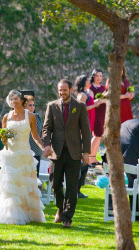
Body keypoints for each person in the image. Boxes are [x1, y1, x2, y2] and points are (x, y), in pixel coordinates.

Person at [0, 89, 45, 225]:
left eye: (16, 98)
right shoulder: (6, 117)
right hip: (10, 154)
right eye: (11, 99)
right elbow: (3, 137)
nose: (14, 101)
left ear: (22, 100)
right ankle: (11, 215)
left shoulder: (30, 116)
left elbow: (35, 136)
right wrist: (4, 138)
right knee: (11, 186)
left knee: (26, 185)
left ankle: (28, 214)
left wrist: (44, 148)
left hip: (25, 154)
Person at [42, 79, 91, 228]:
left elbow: (86, 131)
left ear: (71, 90)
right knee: (55, 183)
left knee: (71, 186)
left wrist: (86, 152)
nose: (62, 93)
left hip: (74, 152)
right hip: (56, 152)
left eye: (64, 90)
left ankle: (67, 218)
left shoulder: (80, 106)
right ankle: (61, 208)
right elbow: (46, 128)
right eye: (60, 90)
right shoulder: (51, 106)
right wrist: (47, 145)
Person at [74, 75, 102, 198]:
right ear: (83, 82)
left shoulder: (86, 93)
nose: (89, 81)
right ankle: (75, 189)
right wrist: (94, 105)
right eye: (87, 80)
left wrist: (95, 103)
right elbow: (79, 109)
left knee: (84, 158)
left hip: (87, 128)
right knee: (81, 158)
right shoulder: (82, 94)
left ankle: (78, 189)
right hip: (82, 129)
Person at [89, 69, 106, 165]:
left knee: (99, 136)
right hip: (95, 112)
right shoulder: (91, 88)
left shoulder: (103, 88)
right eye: (97, 76)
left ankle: (94, 157)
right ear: (93, 76)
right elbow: (91, 101)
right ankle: (90, 157)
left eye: (101, 76)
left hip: (102, 112)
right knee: (96, 135)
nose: (99, 78)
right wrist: (100, 100)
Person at [23, 94, 43, 177]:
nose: (32, 107)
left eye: (33, 105)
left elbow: (42, 131)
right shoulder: (21, 118)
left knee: (34, 177)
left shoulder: (37, 117)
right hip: (25, 151)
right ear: (24, 107)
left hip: (37, 151)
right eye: (30, 105)